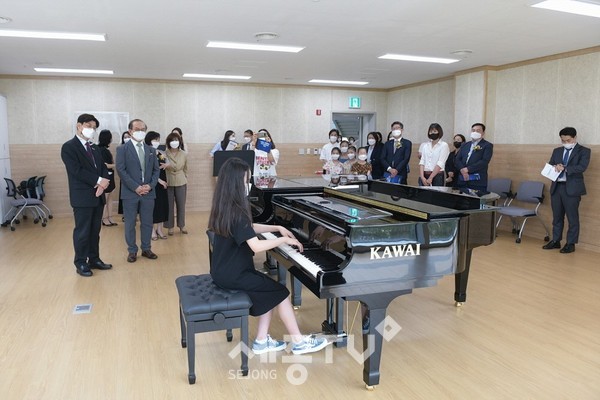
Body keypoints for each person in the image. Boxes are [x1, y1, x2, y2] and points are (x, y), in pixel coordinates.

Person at [209, 157, 329, 355]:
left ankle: (262, 341)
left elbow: (249, 227)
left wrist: (277, 227)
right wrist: (283, 240)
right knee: (280, 292)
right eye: (246, 181)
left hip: (223, 271)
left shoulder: (225, 206)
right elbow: (256, 246)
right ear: (236, 183)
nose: (249, 185)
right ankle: (298, 342)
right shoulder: (238, 211)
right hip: (235, 274)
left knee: (270, 291)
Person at [60, 113, 112, 277]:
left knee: (95, 231)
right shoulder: (69, 147)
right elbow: (76, 170)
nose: (91, 130)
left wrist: (104, 182)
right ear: (79, 126)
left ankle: (94, 259)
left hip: (98, 196)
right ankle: (81, 262)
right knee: (82, 231)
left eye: (94, 128)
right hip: (82, 197)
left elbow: (103, 168)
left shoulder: (94, 147)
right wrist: (99, 181)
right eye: (89, 126)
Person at [116, 119, 160, 263]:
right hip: (130, 193)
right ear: (130, 131)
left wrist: (150, 185)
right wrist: (135, 187)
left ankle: (146, 248)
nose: (140, 132)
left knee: (147, 222)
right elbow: (121, 170)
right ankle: (132, 250)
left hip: (148, 192)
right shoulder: (122, 149)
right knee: (130, 223)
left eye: (143, 129)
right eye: (137, 129)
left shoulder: (151, 150)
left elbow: (156, 170)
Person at [542, 127, 591, 254]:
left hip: (572, 189)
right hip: (557, 187)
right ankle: (556, 240)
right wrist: (555, 166)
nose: (565, 143)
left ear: (574, 138)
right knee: (557, 216)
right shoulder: (557, 151)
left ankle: (570, 243)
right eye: (563, 141)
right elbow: (551, 164)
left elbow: (582, 167)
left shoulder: (584, 151)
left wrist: (565, 168)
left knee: (572, 217)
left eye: (568, 140)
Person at [454, 123, 493, 193]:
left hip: (477, 182)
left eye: (478, 131)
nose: (475, 132)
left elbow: (484, 161)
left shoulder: (487, 145)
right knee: (461, 199)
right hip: (462, 180)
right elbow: (457, 159)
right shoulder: (465, 145)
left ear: (483, 133)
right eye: (473, 130)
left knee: (476, 199)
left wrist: (468, 169)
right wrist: (462, 170)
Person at [145, 131, 169, 240]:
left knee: (162, 206)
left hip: (163, 182)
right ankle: (151, 231)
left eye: (158, 140)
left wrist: (167, 164)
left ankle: (159, 229)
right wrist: (159, 180)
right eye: (155, 139)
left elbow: (167, 163)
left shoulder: (160, 152)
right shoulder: (146, 152)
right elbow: (148, 171)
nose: (157, 142)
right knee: (152, 208)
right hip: (153, 183)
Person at [164, 131, 188, 235]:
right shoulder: (164, 153)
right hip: (168, 181)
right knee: (169, 206)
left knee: (181, 205)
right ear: (168, 142)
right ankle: (170, 227)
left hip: (181, 181)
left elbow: (186, 168)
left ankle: (182, 225)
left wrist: (184, 177)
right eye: (172, 140)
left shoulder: (184, 154)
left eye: (176, 140)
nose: (175, 142)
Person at [97, 129, 118, 226]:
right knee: (105, 199)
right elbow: (105, 165)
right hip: (105, 177)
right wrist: (116, 165)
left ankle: (110, 217)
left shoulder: (105, 150)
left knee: (110, 198)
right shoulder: (101, 150)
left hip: (110, 176)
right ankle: (104, 218)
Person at [117, 131, 131, 219]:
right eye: (125, 137)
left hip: (135, 176)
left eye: (128, 137)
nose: (127, 139)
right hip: (124, 176)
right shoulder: (120, 148)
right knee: (124, 196)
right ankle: (124, 214)